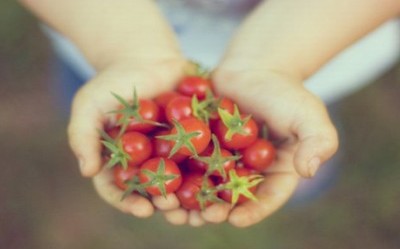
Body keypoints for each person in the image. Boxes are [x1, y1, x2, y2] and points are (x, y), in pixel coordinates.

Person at [18, 0, 400, 227]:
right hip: (100, 32)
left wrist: (276, 63)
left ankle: (297, 152)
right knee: (94, 104)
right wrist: (123, 51)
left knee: (291, 117)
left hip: (316, 39)